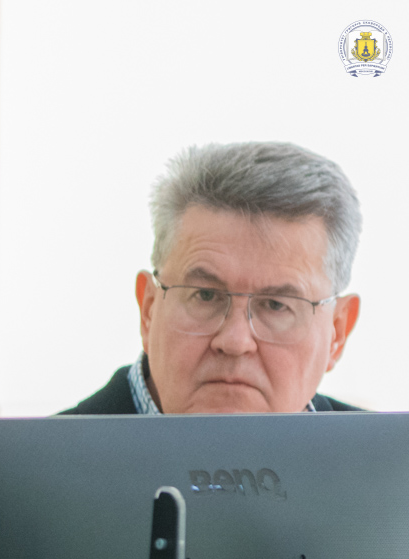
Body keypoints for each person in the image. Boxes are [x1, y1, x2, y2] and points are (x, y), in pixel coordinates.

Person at [64, 142, 363, 414]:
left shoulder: (386, 456)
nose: (235, 342)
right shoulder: (40, 457)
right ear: (148, 311)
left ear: (337, 332)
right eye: (206, 296)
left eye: (275, 305)